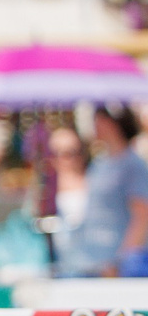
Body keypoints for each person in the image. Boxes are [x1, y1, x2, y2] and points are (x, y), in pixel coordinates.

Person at [53, 107, 148, 278]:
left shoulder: (133, 165)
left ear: (112, 123)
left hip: (116, 266)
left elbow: (141, 216)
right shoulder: (99, 164)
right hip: (89, 262)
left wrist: (121, 260)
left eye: (98, 120)